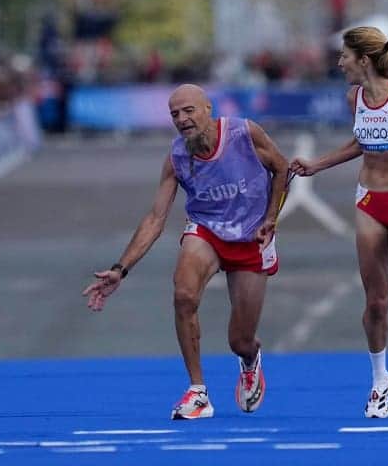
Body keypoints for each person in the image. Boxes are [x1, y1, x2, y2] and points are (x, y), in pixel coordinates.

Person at [83, 84, 290, 420]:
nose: (181, 119)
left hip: (252, 237)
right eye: (175, 114)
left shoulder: (244, 133)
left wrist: (271, 219)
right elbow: (156, 218)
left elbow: (282, 168)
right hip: (207, 231)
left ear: (208, 109)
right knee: (183, 295)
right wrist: (120, 269)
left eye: (188, 110)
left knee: (240, 340)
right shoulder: (177, 157)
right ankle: (198, 392)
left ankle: (250, 359)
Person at [291, 26, 388, 419]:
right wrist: (317, 165)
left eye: (344, 56)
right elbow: (359, 144)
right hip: (369, 201)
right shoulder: (355, 98)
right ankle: (381, 381)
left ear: (363, 60)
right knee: (376, 301)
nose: (339, 63)